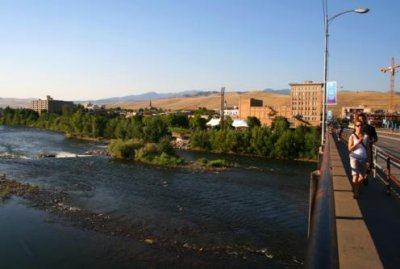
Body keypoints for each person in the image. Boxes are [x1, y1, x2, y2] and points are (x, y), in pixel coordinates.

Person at [348, 119, 369, 199]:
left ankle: (356, 189)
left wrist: (368, 159)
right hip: (354, 157)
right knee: (355, 175)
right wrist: (358, 142)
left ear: (363, 126)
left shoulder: (366, 136)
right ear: (355, 127)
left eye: (361, 125)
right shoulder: (352, 136)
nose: (359, 127)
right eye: (357, 125)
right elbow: (349, 149)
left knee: (361, 177)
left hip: (363, 158)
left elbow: (368, 149)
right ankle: (356, 193)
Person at [357, 113, 378, 185]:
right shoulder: (357, 127)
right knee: (359, 165)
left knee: (369, 165)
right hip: (359, 150)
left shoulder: (371, 128)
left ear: (365, 119)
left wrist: (370, 141)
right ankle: (361, 178)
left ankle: (365, 177)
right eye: (360, 119)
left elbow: (376, 139)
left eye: (362, 119)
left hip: (368, 149)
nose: (361, 120)